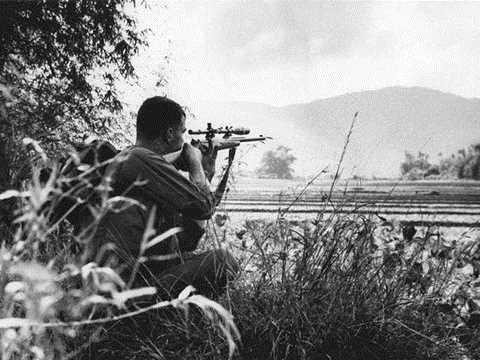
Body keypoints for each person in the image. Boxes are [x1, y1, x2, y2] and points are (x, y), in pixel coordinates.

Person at [85, 96, 238, 298]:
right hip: (121, 295)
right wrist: (194, 165)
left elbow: (186, 242)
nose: (184, 141)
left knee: (200, 260)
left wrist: (204, 172)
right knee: (223, 261)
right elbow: (205, 208)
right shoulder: (139, 158)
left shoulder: (134, 161)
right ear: (169, 134)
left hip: (128, 283)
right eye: (183, 132)